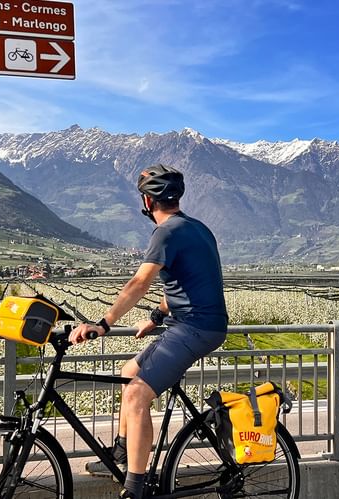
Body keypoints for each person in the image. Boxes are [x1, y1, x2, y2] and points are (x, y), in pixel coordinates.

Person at [70, 164, 229, 499]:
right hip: (197, 323)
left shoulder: (166, 232)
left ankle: (135, 487)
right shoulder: (197, 228)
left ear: (147, 200)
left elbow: (139, 282)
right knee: (129, 372)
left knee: (136, 394)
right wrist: (156, 316)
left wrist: (104, 323)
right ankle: (121, 454)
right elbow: (187, 283)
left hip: (195, 327)